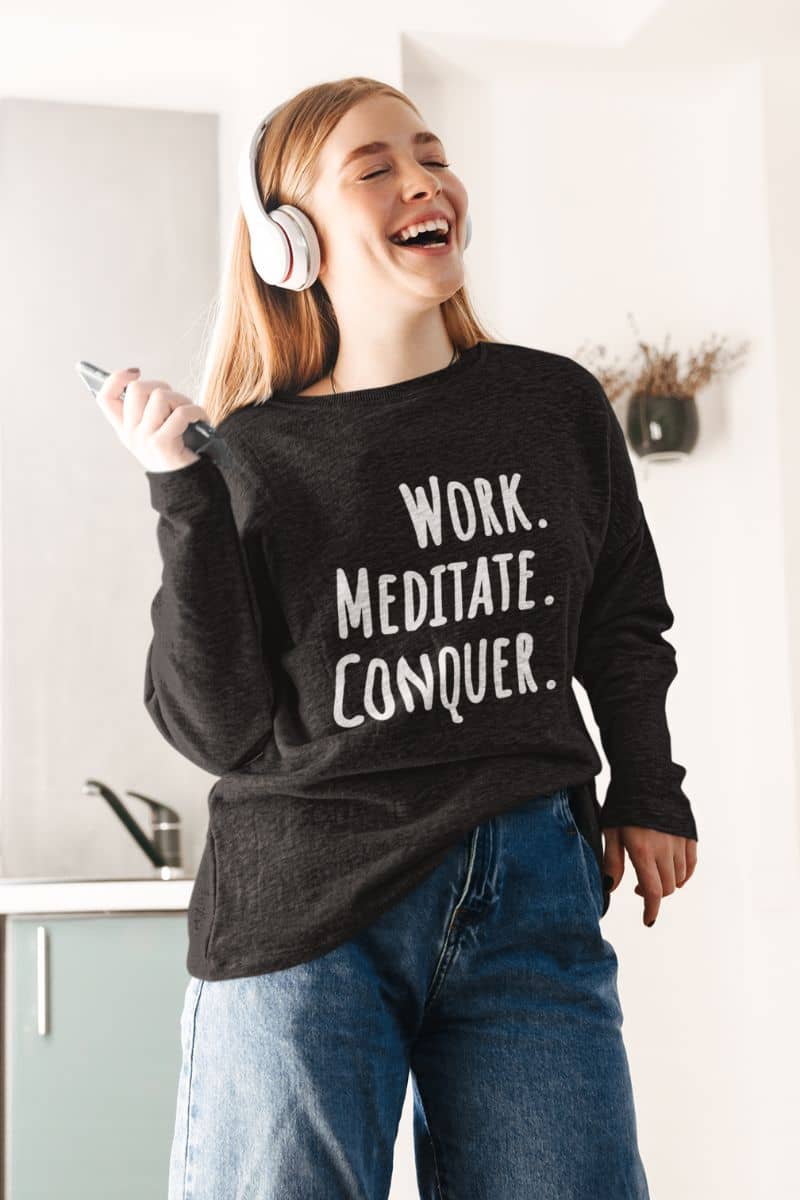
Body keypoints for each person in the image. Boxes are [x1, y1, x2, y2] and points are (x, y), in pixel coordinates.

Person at [96, 76, 698, 1200]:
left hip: (529, 884)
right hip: (305, 905)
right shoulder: (246, 456)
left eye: (431, 156)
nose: (424, 181)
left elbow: (621, 616)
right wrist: (180, 492)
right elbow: (216, 727)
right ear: (290, 243)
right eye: (375, 169)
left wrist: (648, 786)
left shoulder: (554, 405)